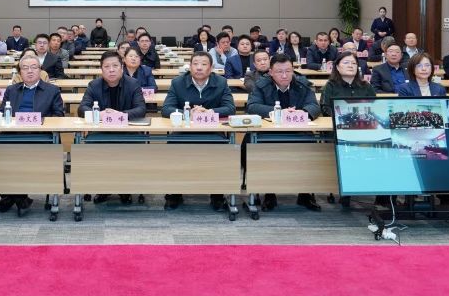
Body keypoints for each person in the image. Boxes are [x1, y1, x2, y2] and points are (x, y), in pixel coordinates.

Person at [161, 52, 236, 211]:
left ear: (211, 68)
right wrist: (188, 113)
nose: (199, 67)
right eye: (195, 64)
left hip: (212, 131)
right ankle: (175, 192)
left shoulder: (221, 82)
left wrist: (209, 112)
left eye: (203, 64)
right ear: (190, 66)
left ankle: (217, 194)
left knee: (222, 148)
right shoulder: (178, 82)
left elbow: (230, 108)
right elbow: (166, 109)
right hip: (184, 131)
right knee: (173, 147)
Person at [247, 53, 323, 211]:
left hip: (299, 132)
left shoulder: (302, 84)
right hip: (270, 133)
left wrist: (302, 113)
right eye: (279, 71)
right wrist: (279, 113)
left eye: (288, 71)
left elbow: (314, 106)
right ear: (271, 72)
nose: (284, 75)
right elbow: (252, 106)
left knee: (311, 148)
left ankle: (305, 194)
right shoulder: (261, 85)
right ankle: (269, 193)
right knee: (265, 149)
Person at [0, 53, 66, 215]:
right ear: (20, 72)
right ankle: (19, 197)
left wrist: (41, 121)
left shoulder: (52, 90)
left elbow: (59, 116)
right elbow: (2, 113)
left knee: (22, 154)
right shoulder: (11, 90)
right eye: (25, 68)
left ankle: (13, 197)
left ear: (40, 70)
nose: (29, 71)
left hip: (40, 137)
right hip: (13, 136)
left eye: (34, 67)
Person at [80, 51, 148, 120]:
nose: (111, 70)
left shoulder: (133, 84)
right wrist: (98, 114)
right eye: (107, 66)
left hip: (126, 125)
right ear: (101, 69)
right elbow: (82, 108)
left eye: (115, 66)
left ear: (122, 68)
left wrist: (119, 115)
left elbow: (141, 109)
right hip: (102, 125)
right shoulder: (94, 85)